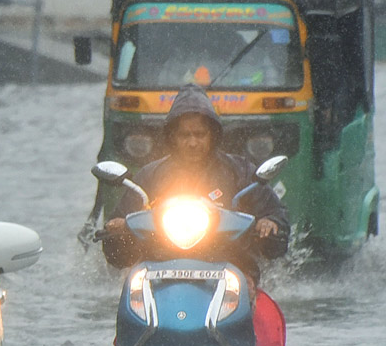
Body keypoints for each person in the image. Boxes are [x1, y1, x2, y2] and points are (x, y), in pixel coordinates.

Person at [100, 84, 290, 285]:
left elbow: (276, 215)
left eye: (200, 135)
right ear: (173, 136)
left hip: (231, 270)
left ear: (213, 135)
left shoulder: (240, 171)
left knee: (250, 291)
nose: (192, 143)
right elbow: (118, 246)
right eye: (185, 135)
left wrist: (270, 222)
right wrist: (118, 229)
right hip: (159, 273)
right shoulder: (150, 175)